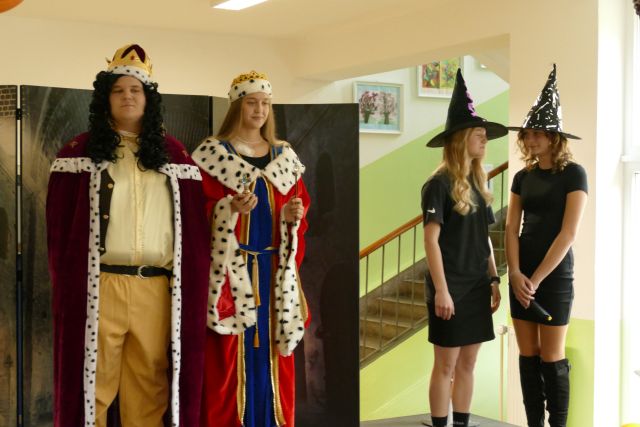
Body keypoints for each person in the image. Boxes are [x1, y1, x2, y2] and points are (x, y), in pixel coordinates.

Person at [46, 43, 210, 427]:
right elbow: (59, 232)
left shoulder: (175, 157)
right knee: (94, 387)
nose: (128, 97)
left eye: (135, 90)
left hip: (156, 288)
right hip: (101, 286)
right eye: (118, 90)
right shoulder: (78, 153)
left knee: (149, 387)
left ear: (148, 98)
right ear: (106, 99)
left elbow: (195, 230)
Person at [195, 71, 310, 427]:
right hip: (231, 278)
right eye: (251, 103)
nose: (259, 110)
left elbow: (301, 213)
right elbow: (196, 214)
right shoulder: (213, 156)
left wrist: (291, 217)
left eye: (265, 103)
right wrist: (229, 210)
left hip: (274, 277)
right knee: (228, 360)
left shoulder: (284, 157)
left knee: (274, 358)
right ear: (237, 107)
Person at [505, 64, 588, 427]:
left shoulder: (574, 174)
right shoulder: (522, 177)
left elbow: (568, 233)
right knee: (528, 355)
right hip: (521, 275)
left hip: (553, 278)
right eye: (527, 133)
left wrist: (535, 280)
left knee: (552, 355)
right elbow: (511, 228)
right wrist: (514, 273)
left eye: (538, 133)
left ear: (555, 137)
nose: (531, 139)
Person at [421, 69, 504, 427]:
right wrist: (442, 290)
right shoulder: (437, 184)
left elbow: (484, 237)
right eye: (478, 134)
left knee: (469, 364)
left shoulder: (479, 182)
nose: (485, 139)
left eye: (485, 135)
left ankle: (462, 424)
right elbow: (431, 240)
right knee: (446, 365)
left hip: (476, 286)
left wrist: (494, 279)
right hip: (450, 287)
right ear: (460, 139)